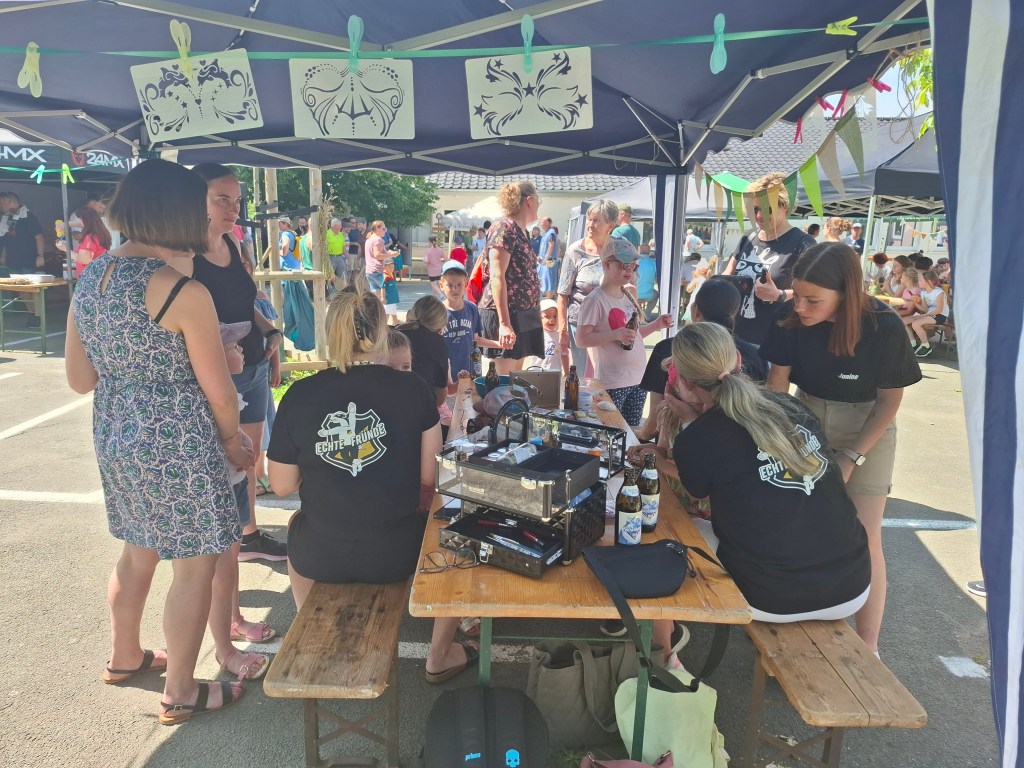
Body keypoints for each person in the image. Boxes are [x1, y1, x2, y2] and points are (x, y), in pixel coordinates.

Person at [64, 158, 255, 724]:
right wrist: (233, 441)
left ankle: (125, 656)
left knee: (136, 548)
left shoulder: (91, 279)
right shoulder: (181, 291)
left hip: (116, 431)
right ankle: (181, 690)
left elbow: (79, 379)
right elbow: (221, 394)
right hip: (180, 442)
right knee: (194, 566)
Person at [267, 291, 474, 683]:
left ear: (331, 333)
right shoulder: (412, 388)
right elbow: (430, 477)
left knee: (297, 523)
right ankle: (440, 654)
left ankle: (308, 631)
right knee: (456, 533)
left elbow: (281, 485)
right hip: (397, 553)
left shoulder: (299, 395)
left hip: (320, 555)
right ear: (381, 333)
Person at [629, 323, 871, 625]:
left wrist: (690, 427)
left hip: (770, 597)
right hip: (854, 585)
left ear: (685, 384)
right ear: (739, 360)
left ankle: (662, 640)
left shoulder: (701, 436)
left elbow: (695, 489)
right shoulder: (789, 405)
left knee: (670, 526)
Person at [760, 242, 922, 653]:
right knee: (802, 527)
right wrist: (778, 441)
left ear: (846, 295)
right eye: (797, 295)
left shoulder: (884, 326)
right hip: (805, 416)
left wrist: (852, 457)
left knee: (865, 536)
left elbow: (889, 402)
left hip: (868, 425)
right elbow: (777, 386)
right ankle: (804, 630)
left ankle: (869, 646)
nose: (800, 307)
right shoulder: (790, 316)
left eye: (813, 300)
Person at [190, 163, 287, 564]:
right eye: (222, 199)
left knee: (248, 460)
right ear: (195, 200)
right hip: (218, 377)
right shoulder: (183, 257)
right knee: (222, 464)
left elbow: (245, 303)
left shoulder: (231, 244)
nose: (233, 209)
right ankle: (220, 553)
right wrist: (221, 352)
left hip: (254, 367)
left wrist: (270, 331)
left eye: (237, 200)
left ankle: (249, 536)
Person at [208, 321, 272, 682]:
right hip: (217, 489)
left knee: (229, 561)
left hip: (232, 484)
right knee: (218, 569)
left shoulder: (230, 388)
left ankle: (233, 621)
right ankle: (224, 647)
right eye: (233, 347)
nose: (242, 349)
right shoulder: (211, 393)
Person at [638, 276, 767, 443]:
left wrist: (640, 437)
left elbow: (654, 423)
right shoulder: (756, 356)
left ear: (696, 311)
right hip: (736, 447)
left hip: (678, 449)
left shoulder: (669, 349)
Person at [575, 238, 673, 425]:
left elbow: (633, 336)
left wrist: (656, 325)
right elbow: (581, 339)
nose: (630, 270)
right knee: (611, 429)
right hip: (613, 381)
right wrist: (615, 334)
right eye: (624, 265)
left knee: (632, 431)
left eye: (634, 266)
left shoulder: (627, 296)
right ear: (607, 264)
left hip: (639, 378)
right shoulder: (595, 300)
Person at [723, 172, 816, 346]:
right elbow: (728, 273)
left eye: (767, 209)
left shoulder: (803, 243)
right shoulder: (749, 237)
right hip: (735, 336)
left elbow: (815, 291)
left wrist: (779, 295)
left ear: (785, 207)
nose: (759, 215)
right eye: (755, 209)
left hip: (775, 341)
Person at [477, 180, 545, 375]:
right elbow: (497, 276)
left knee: (515, 380)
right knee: (503, 382)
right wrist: (505, 324)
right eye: (538, 200)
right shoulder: (504, 227)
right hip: (506, 315)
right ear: (529, 200)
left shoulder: (521, 230)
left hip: (523, 314)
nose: (539, 205)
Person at [557, 199, 619, 374]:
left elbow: (630, 285)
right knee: (584, 378)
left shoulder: (620, 249)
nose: (590, 225)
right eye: (589, 220)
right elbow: (563, 294)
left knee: (609, 377)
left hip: (612, 325)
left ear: (610, 225)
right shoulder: (575, 251)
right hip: (581, 326)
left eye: (596, 221)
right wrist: (562, 330)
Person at [439, 260, 498, 384]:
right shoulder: (437, 311)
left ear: (466, 284)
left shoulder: (472, 308)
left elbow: (475, 339)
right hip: (445, 374)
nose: (455, 289)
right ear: (441, 285)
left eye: (459, 284)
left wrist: (500, 344)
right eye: (450, 285)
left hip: (469, 371)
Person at [0, 191, 45, 327]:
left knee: (33, 288)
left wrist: (40, 255)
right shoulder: (6, 219)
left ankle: (38, 316)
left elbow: (39, 237)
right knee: (21, 288)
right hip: (13, 260)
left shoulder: (28, 216)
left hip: (29, 258)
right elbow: (6, 241)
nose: (1, 206)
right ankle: (32, 313)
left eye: (2, 203)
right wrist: (3, 256)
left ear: (10, 202)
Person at [904, 270, 949, 357]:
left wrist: (923, 315)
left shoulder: (939, 292)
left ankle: (926, 346)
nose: (919, 282)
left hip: (940, 315)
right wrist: (914, 302)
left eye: (921, 280)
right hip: (929, 314)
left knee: (916, 323)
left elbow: (939, 310)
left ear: (928, 281)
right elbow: (925, 309)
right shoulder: (923, 293)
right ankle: (913, 344)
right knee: (902, 321)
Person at [69, 206, 112, 278]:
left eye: (81, 219)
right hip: (98, 274)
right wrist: (64, 225)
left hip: (88, 277)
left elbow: (84, 259)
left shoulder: (90, 238)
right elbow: (81, 223)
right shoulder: (100, 234)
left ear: (86, 221)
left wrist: (66, 249)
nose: (79, 222)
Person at [527, 298, 568, 372]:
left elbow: (564, 355)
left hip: (555, 373)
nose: (552, 320)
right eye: (547, 316)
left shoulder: (560, 336)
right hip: (537, 373)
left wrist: (566, 372)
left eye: (555, 316)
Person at [364, 220, 390, 303]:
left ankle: (375, 310)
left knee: (375, 297)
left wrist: (389, 254)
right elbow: (377, 255)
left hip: (369, 271)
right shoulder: (378, 240)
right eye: (383, 229)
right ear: (377, 228)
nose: (385, 231)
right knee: (388, 294)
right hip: (377, 270)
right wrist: (392, 255)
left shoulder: (369, 240)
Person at [635, 243, 658, 320]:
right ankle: (647, 314)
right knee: (656, 294)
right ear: (649, 252)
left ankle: (636, 314)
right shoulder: (653, 263)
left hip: (633, 294)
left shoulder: (634, 261)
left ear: (639, 251)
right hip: (648, 295)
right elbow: (658, 276)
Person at [537, 216, 558, 299]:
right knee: (543, 280)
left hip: (549, 260)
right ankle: (546, 299)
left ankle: (549, 300)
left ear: (548, 223)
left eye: (543, 222)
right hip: (544, 260)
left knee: (548, 281)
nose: (541, 223)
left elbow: (551, 245)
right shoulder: (546, 233)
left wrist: (546, 259)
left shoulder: (551, 233)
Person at [326, 218, 348, 293]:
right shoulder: (327, 234)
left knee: (342, 275)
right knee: (330, 276)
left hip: (340, 257)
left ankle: (342, 291)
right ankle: (330, 292)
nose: (341, 227)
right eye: (340, 225)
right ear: (335, 226)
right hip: (330, 257)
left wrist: (347, 257)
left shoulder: (341, 234)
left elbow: (343, 247)